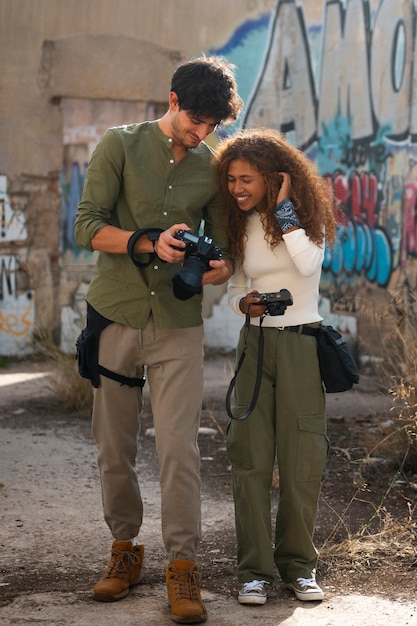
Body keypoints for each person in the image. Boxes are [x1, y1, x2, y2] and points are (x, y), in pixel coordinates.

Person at [73, 55, 242, 624]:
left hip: (177, 325)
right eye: (195, 121)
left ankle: (183, 565)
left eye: (211, 127)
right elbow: (87, 225)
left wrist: (218, 266)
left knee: (179, 450)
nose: (201, 135)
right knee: (114, 448)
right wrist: (147, 243)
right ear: (172, 101)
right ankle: (124, 551)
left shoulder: (211, 164)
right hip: (116, 315)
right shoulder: (118, 145)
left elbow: (221, 245)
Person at [214, 128, 337, 606]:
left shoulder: (307, 220)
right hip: (255, 347)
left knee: (303, 460)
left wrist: (284, 211)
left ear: (274, 177)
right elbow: (231, 291)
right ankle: (254, 572)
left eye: (246, 179)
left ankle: (300, 567)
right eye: (230, 179)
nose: (237, 188)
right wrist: (242, 303)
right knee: (249, 460)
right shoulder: (238, 225)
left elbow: (307, 267)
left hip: (302, 348)